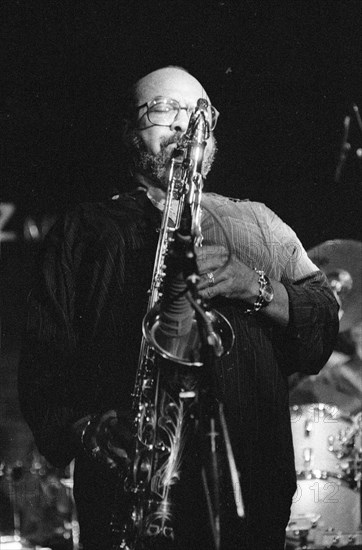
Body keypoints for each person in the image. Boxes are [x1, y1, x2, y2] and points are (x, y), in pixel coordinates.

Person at [18, 66, 339, 550]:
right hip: (128, 497)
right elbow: (44, 369)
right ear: (131, 132)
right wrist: (90, 430)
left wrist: (255, 285)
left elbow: (322, 323)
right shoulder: (82, 230)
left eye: (198, 116)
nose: (185, 128)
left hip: (250, 494)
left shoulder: (260, 222)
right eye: (165, 110)